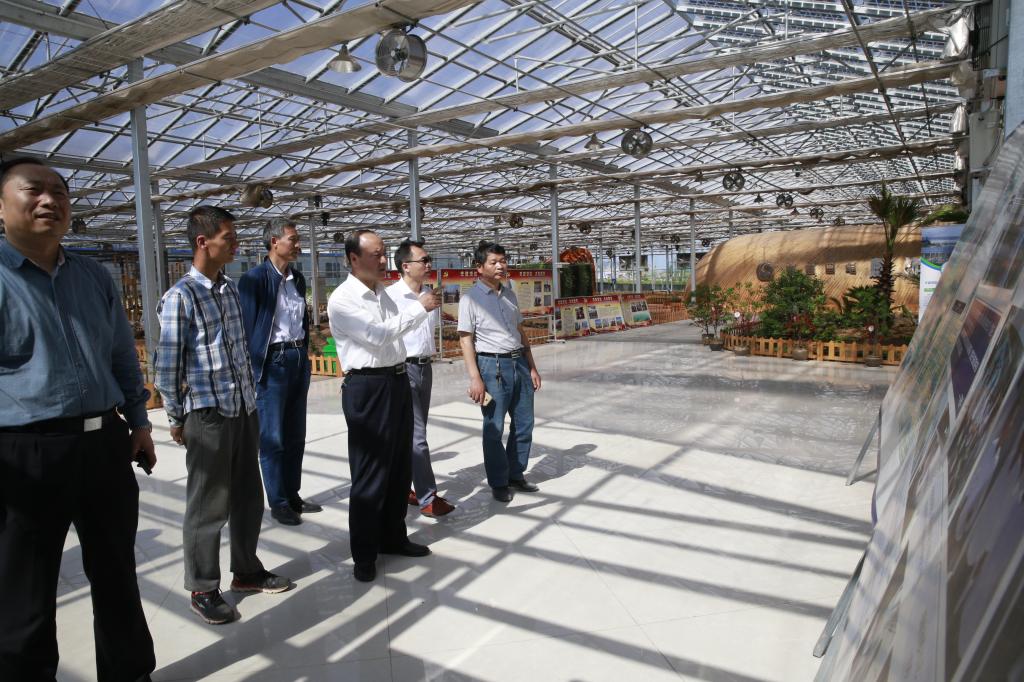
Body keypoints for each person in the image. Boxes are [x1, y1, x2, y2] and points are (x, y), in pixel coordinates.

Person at [0, 157, 156, 680]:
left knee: (117, 574)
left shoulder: (92, 275)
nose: (51, 200)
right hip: (25, 451)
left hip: (103, 444)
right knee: (24, 591)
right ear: (1, 206)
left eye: (61, 191)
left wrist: (138, 422)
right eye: (34, 189)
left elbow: (120, 354)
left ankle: (129, 672)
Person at [154, 205, 292, 625]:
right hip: (208, 414)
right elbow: (167, 366)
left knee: (248, 496)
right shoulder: (180, 297)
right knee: (208, 504)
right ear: (203, 242)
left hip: (243, 409)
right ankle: (203, 587)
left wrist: (251, 399)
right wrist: (177, 418)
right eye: (228, 238)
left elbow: (238, 350)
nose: (236, 245)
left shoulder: (230, 290)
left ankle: (246, 570)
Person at [327, 229, 441, 582]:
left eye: (383, 253)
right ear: (354, 258)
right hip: (368, 387)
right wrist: (418, 309)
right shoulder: (343, 299)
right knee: (370, 472)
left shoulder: (383, 294)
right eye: (375, 254)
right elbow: (377, 336)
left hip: (396, 380)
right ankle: (364, 553)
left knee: (397, 467)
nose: (382, 260)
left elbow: (395, 335)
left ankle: (393, 537)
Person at [238, 218, 321, 526]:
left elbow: (301, 322)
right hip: (272, 362)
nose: (298, 244)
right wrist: (251, 371)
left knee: (296, 433)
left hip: (298, 359)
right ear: (274, 242)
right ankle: (278, 501)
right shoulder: (254, 279)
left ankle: (292, 493)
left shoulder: (297, 279)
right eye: (293, 239)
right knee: (272, 436)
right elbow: (246, 329)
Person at [458, 240, 542, 502]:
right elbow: (465, 340)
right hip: (491, 366)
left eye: (503, 261)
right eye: (493, 262)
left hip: (519, 363)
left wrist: (532, 366)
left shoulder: (510, 294)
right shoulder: (470, 299)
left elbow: (520, 331)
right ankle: (498, 481)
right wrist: (475, 378)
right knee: (494, 426)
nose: (500, 266)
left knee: (524, 422)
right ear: (479, 267)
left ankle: (515, 473)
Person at [387, 239, 455, 518]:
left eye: (429, 260)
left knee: (412, 433)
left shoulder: (429, 293)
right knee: (417, 436)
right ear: (406, 266)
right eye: (423, 260)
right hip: (402, 368)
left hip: (425, 368)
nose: (429, 265)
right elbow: (388, 333)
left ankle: (403, 487)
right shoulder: (390, 297)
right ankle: (427, 497)